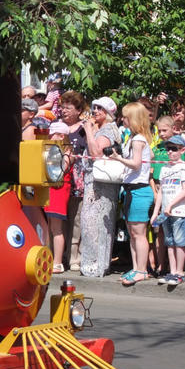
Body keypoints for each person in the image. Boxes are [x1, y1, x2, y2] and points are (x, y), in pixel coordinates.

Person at [109, 102, 155, 285]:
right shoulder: (138, 138)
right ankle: (136, 267)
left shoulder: (137, 140)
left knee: (138, 233)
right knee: (132, 232)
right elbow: (148, 157)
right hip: (132, 189)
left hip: (139, 190)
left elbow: (136, 164)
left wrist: (118, 158)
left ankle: (141, 269)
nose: (123, 119)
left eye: (126, 117)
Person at [80, 96, 122, 277]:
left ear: (108, 113)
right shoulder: (102, 128)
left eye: (99, 109)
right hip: (92, 181)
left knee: (95, 224)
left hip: (100, 184)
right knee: (89, 224)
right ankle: (92, 263)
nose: (95, 111)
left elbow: (96, 154)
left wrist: (89, 131)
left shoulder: (108, 130)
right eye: (94, 107)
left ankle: (96, 265)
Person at [150, 135, 185, 287]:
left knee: (179, 242)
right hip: (165, 212)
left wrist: (171, 206)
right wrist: (156, 212)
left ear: (181, 150)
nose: (170, 152)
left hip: (178, 211)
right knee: (169, 242)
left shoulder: (184, 168)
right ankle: (172, 271)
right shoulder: (165, 168)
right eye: (168, 149)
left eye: (174, 149)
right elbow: (160, 192)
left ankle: (180, 272)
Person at [59, 91, 88, 272]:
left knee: (76, 220)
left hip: (77, 179)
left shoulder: (83, 129)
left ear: (78, 110)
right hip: (58, 180)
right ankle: (59, 256)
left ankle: (74, 258)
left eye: (68, 108)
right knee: (59, 220)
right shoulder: (57, 127)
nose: (64, 111)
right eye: (62, 107)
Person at [45, 121, 71, 273]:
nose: (50, 136)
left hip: (59, 191)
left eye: (53, 134)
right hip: (50, 190)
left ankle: (58, 262)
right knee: (49, 226)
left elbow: (62, 168)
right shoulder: (53, 149)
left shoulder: (67, 152)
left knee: (57, 228)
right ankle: (49, 258)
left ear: (62, 136)